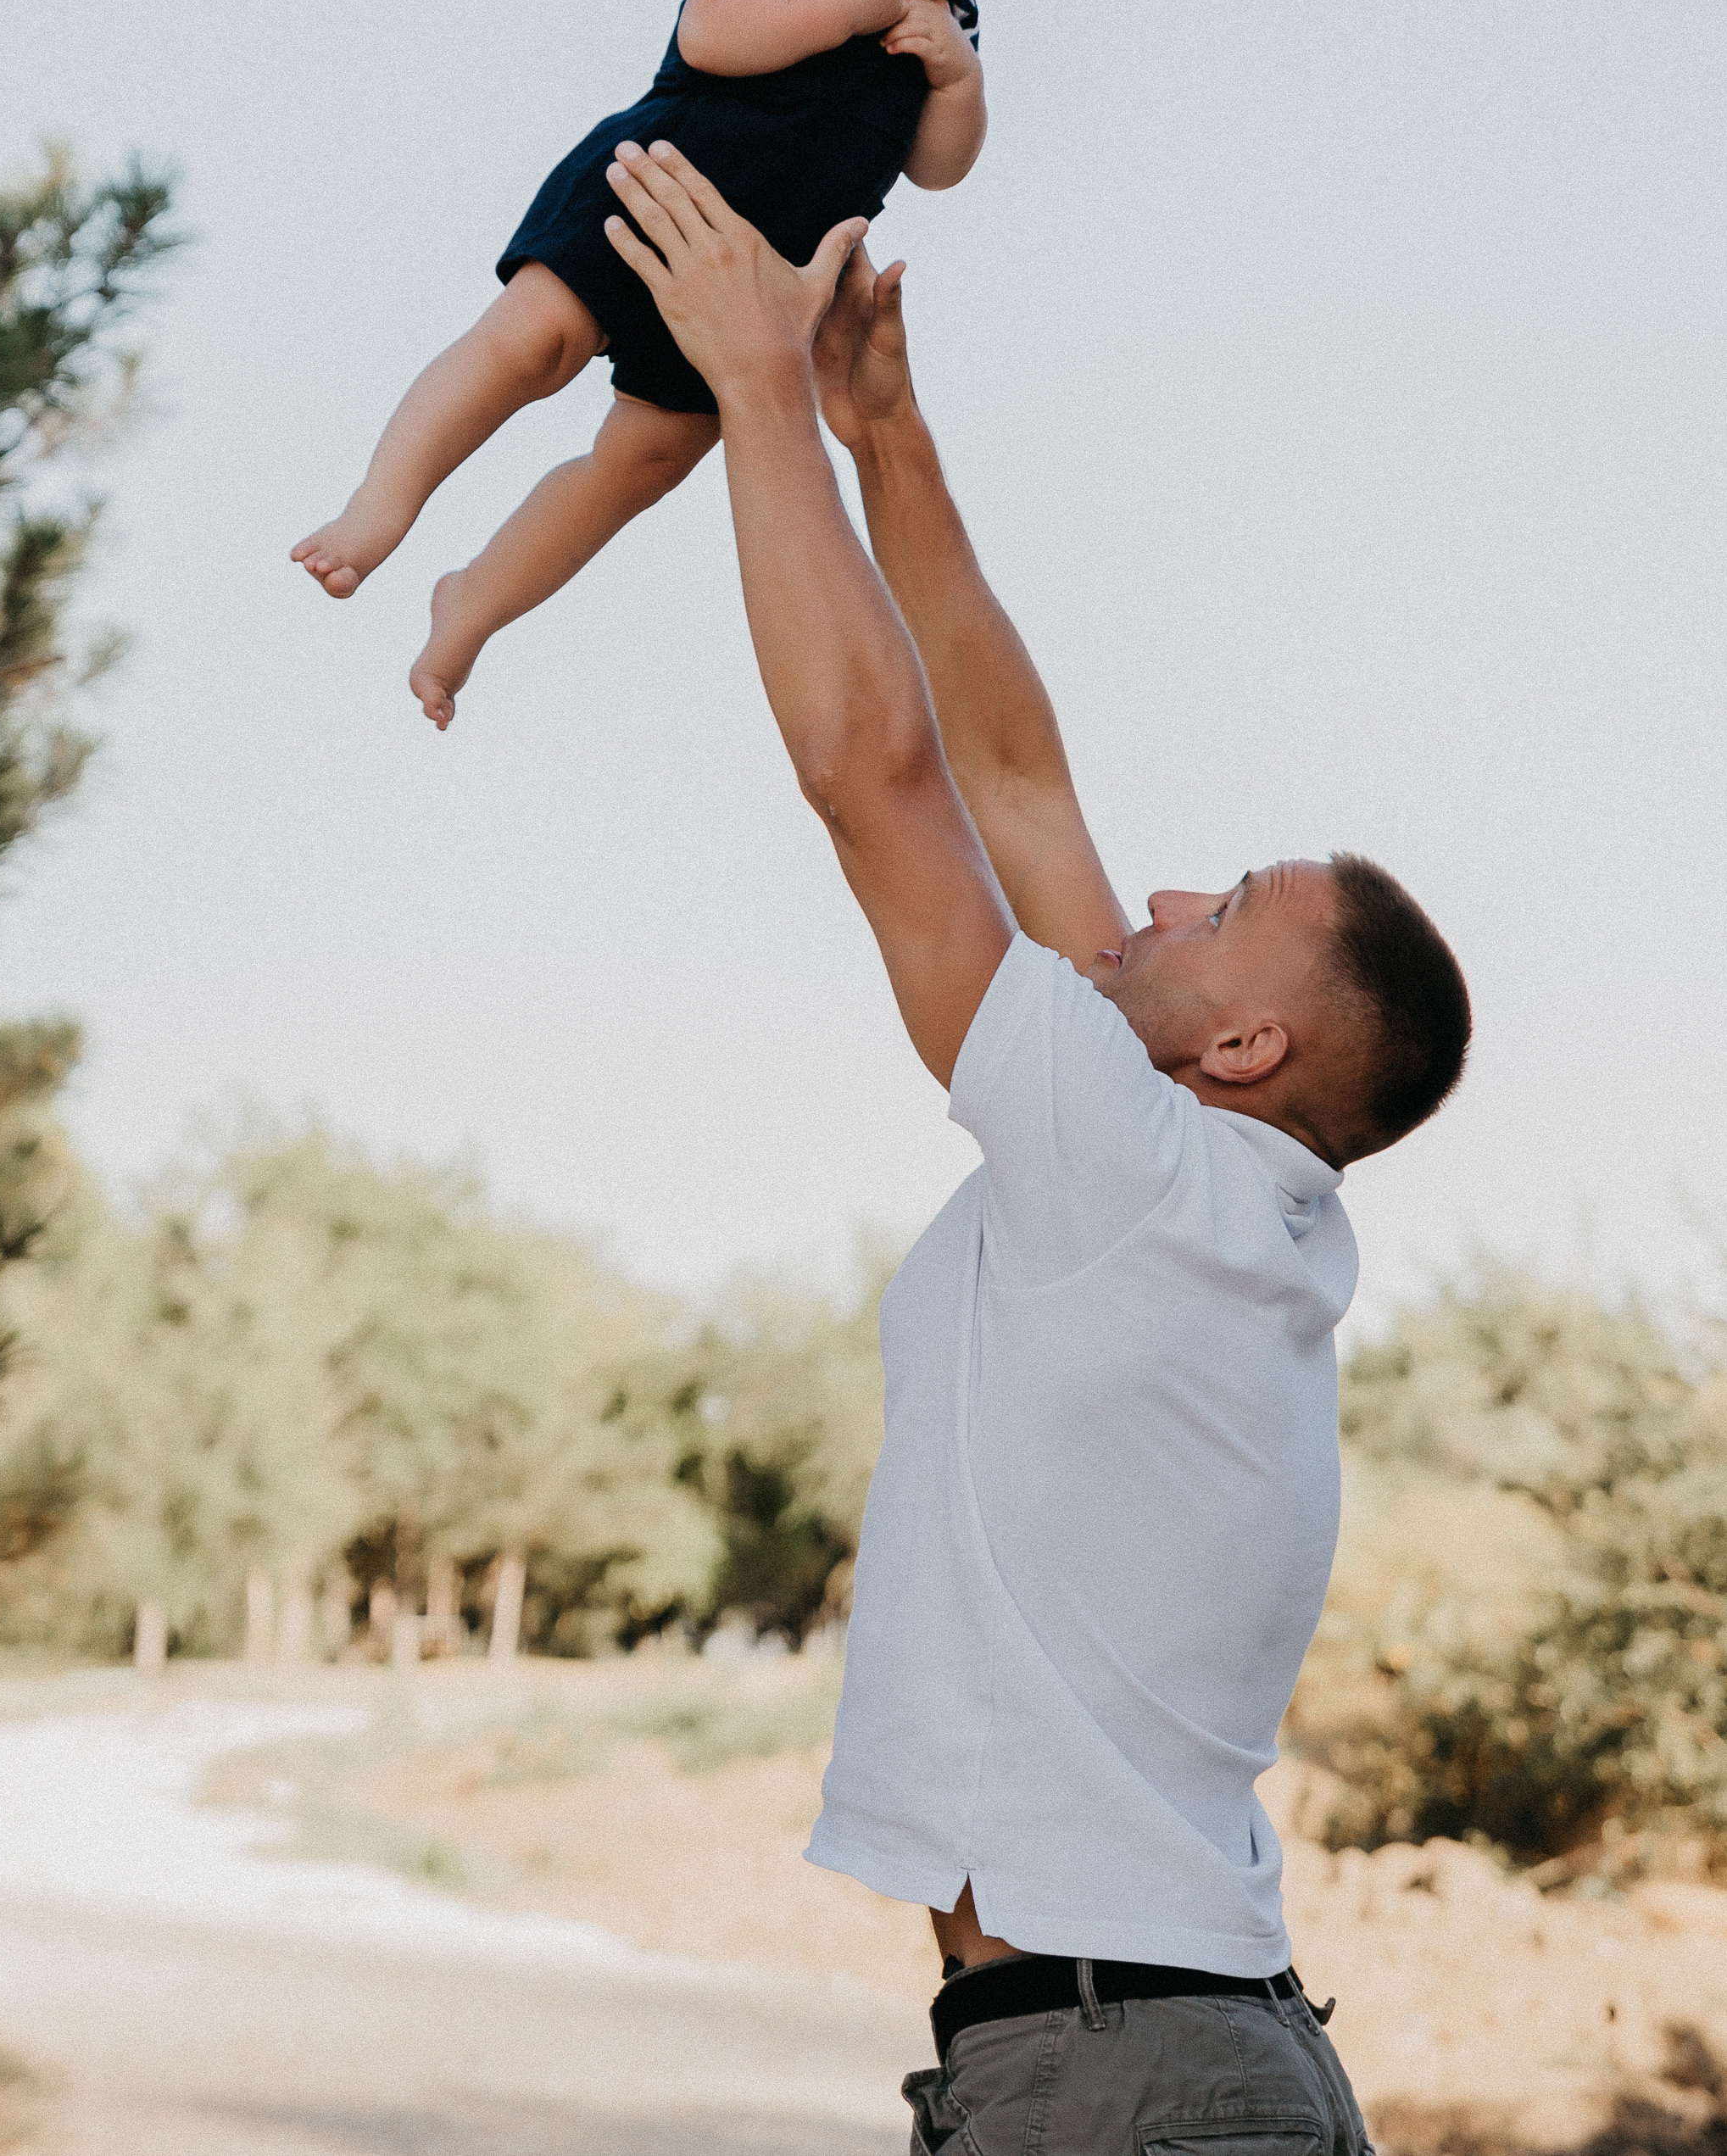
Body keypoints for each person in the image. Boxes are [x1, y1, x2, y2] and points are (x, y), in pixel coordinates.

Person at [598, 136, 1471, 2155]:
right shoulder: (1219, 1194)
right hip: (1144, 2052)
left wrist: (754, 399)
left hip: (1119, 2077)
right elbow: (1006, 762)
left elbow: (878, 775)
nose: (1154, 899)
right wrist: (884, 434)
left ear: (1241, 1040)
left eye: (1219, 904)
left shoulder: (1140, 1176)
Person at [289, 0, 1068, 727]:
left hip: (750, 289)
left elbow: (936, 168)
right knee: (529, 344)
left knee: (639, 462)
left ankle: (474, 600)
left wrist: (956, 78)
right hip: (652, 187)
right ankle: (381, 502)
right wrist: (839, 7)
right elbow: (707, 30)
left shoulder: (950, 14)